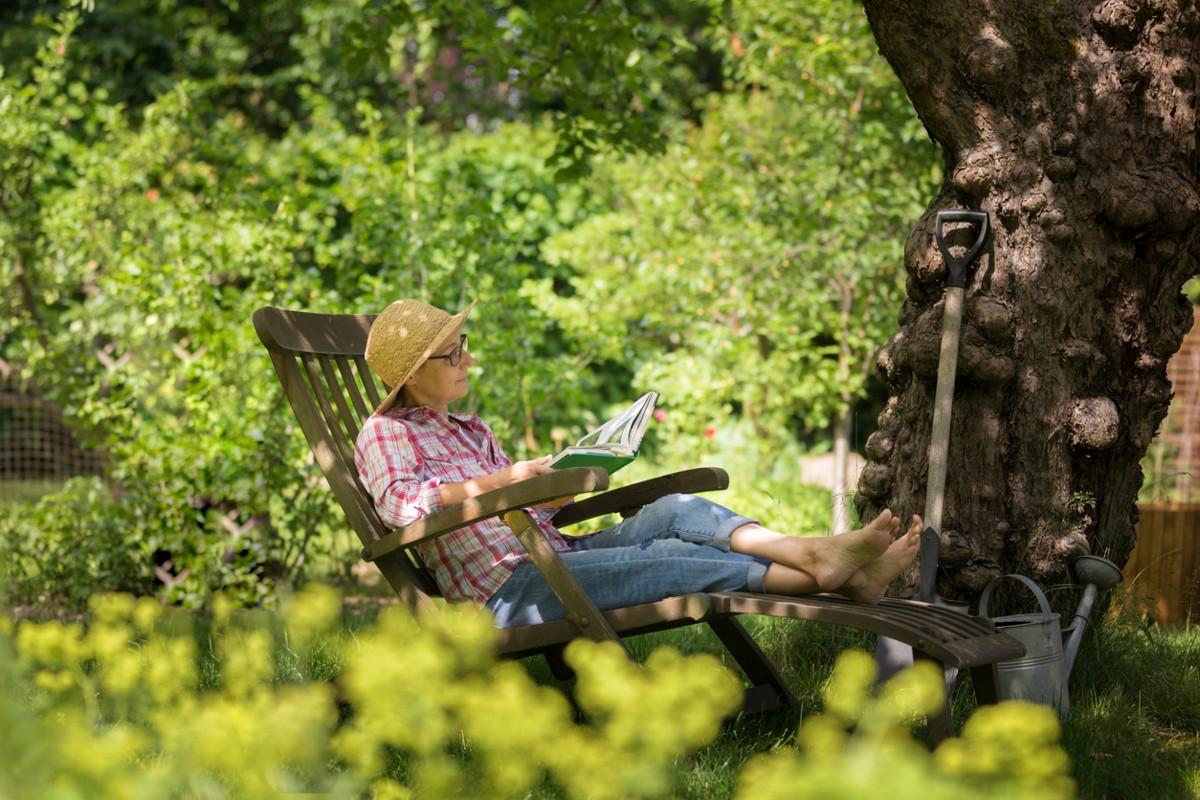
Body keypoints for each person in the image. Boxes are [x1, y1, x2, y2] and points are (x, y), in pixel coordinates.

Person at [354, 298, 921, 628]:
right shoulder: (385, 433)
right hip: (509, 590)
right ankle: (836, 576)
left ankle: (818, 559)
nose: (467, 357)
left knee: (672, 510)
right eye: (453, 352)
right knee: (673, 556)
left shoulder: (472, 428)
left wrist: (549, 493)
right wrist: (504, 482)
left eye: (462, 342)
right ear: (411, 374)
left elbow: (524, 512)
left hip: (554, 554)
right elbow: (403, 507)